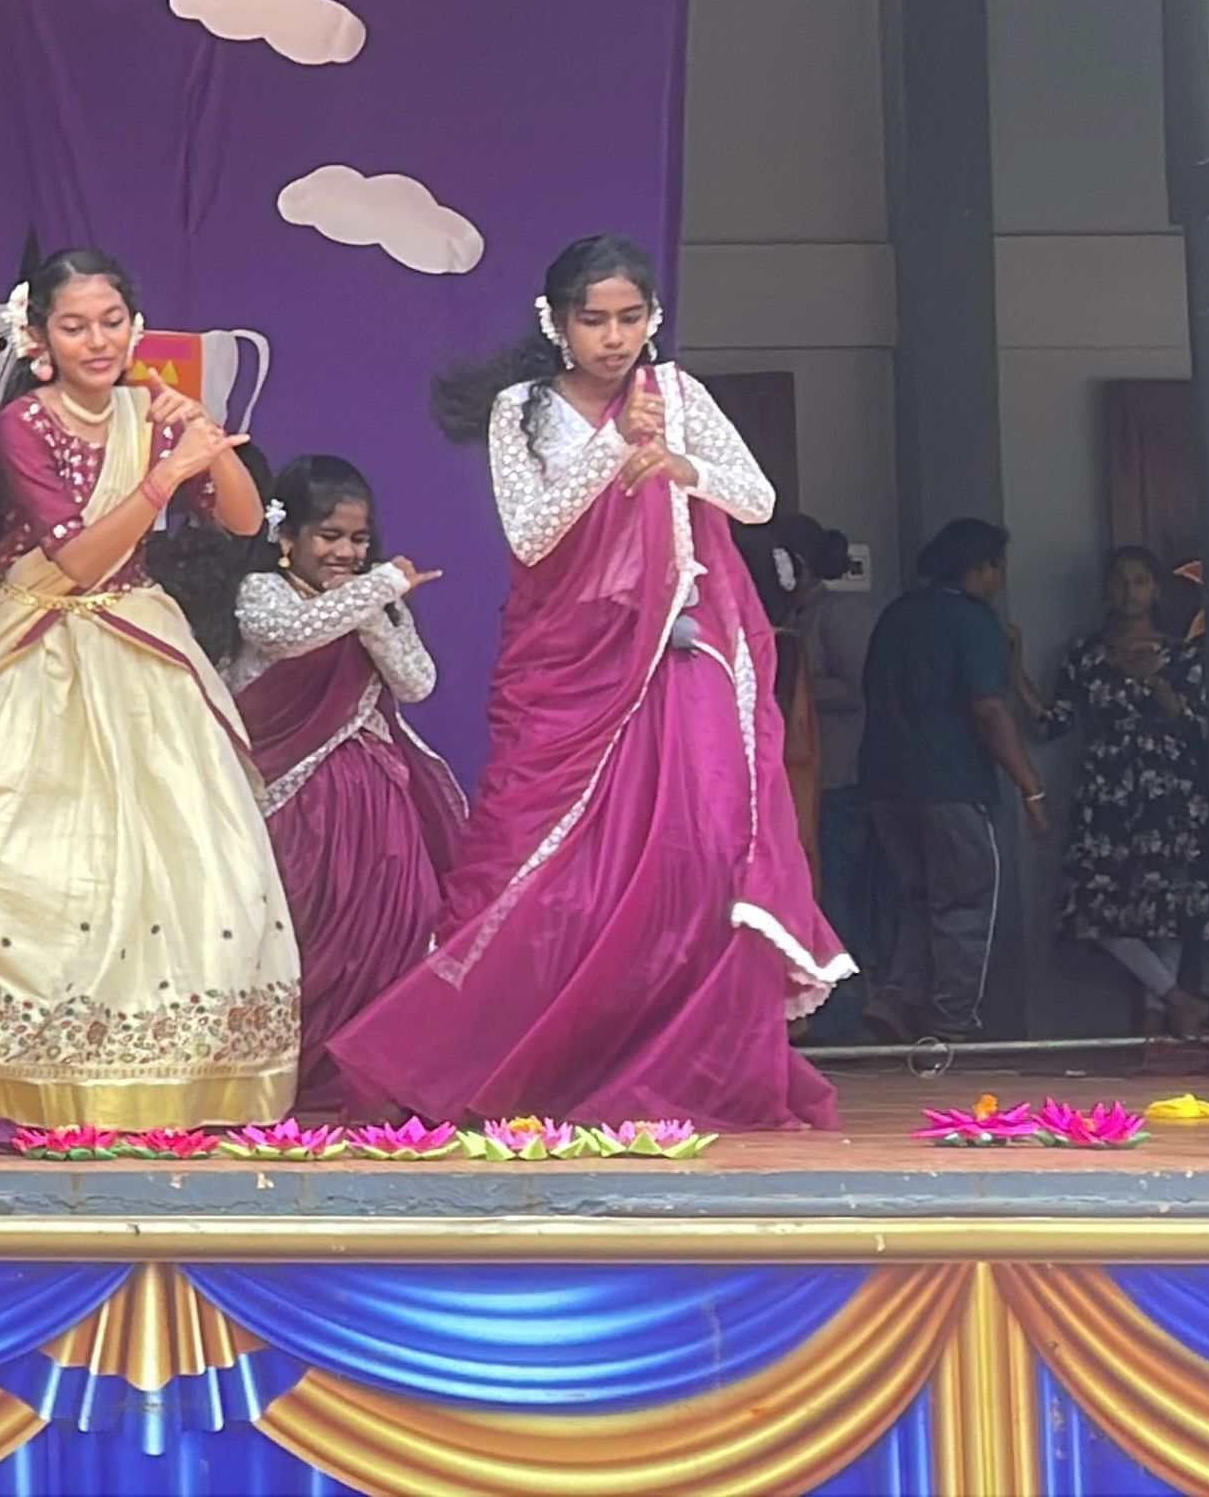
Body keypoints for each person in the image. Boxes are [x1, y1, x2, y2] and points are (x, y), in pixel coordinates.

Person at [333, 234, 848, 1129]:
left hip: (676, 653)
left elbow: (758, 499)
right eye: (594, 320)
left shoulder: (677, 396)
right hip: (569, 667)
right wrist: (615, 447)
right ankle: (542, 1064)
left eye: (630, 318)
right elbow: (531, 535)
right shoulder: (523, 409)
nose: (614, 338)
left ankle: (683, 1066)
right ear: (556, 323)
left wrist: (682, 465)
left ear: (653, 317)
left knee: (700, 851)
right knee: (557, 877)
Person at [0, 247, 297, 1130]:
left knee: (189, 856)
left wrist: (202, 435)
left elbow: (245, 519)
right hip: (44, 643)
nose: (97, 341)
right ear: (38, 338)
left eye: (111, 323)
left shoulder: (153, 412)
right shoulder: (23, 425)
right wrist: (163, 475)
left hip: (140, 649)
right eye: (74, 326)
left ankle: (160, 1079)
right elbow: (78, 560)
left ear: (135, 328)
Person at [216, 455, 467, 1119]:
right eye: (329, 536)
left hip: (376, 801)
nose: (346, 552)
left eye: (358, 539)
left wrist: (374, 607)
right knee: (302, 935)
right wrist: (374, 589)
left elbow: (417, 682)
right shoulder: (262, 592)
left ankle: (372, 1080)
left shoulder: (372, 597)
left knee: (398, 926)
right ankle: (283, 1081)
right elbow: (289, 637)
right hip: (290, 805)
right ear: (286, 536)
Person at [856, 518, 1047, 1046]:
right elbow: (988, 709)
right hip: (953, 781)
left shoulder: (897, 614)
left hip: (885, 779)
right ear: (981, 569)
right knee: (964, 901)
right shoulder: (973, 621)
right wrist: (1030, 786)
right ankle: (953, 1021)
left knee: (919, 897)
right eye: (997, 569)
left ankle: (897, 999)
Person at [1033, 546, 1209, 1039]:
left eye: (1139, 580)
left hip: (1170, 790)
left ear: (1156, 590)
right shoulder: (1086, 654)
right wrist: (1012, 674)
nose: (1128, 591)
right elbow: (1054, 721)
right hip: (1106, 791)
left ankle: (1155, 1028)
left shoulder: (1183, 654)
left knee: (1168, 910)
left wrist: (1165, 695)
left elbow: (1203, 729)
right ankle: (1179, 1000)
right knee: (1096, 908)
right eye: (1118, 580)